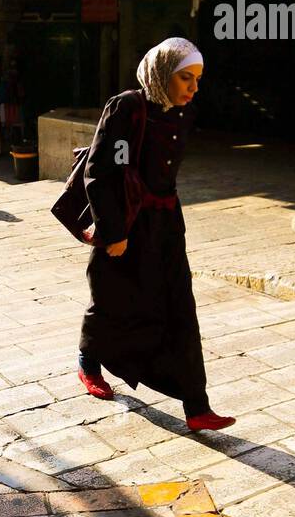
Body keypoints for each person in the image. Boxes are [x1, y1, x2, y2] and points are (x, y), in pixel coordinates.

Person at [76, 37, 235, 433]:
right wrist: (114, 230)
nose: (193, 88)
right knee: (114, 297)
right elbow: (101, 172)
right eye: (186, 78)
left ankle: (197, 405)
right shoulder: (128, 108)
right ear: (163, 73)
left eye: (197, 79)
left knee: (180, 305)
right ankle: (88, 362)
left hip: (166, 226)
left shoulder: (183, 114)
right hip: (126, 222)